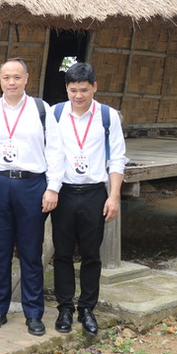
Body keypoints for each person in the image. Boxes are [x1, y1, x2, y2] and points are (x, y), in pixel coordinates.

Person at [0, 57, 64, 336]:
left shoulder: (41, 110)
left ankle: (33, 313)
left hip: (31, 186)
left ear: (27, 78)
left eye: (16, 77)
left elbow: (55, 150)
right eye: (6, 77)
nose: (11, 82)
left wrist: (53, 187)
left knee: (30, 252)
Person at [51, 62, 126, 336]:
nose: (78, 95)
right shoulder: (55, 113)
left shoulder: (107, 116)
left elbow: (117, 157)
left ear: (94, 87)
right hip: (63, 194)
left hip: (95, 192)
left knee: (92, 254)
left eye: (84, 89)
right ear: (67, 89)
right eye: (73, 90)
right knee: (62, 253)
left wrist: (114, 195)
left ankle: (87, 308)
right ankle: (64, 308)